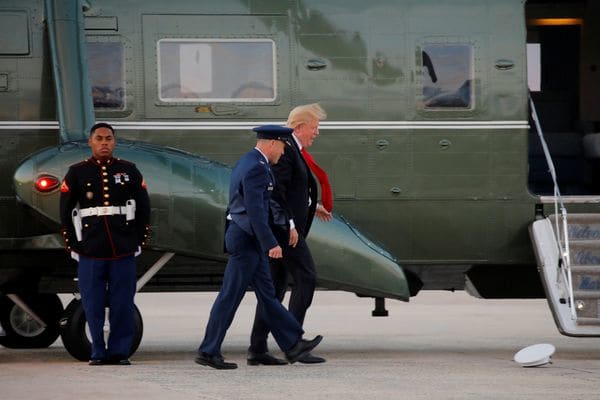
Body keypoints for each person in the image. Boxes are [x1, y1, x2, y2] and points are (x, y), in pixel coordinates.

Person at [195, 125, 323, 370]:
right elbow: (255, 211)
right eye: (283, 148)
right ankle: (208, 350)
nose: (283, 154)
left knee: (268, 296)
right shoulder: (256, 168)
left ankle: (292, 345)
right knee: (230, 296)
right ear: (273, 143)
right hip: (246, 241)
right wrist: (271, 243)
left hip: (248, 238)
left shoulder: (252, 162)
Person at [59, 122, 150, 366]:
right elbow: (66, 212)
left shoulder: (128, 170)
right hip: (90, 248)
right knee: (92, 303)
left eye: (108, 138)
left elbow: (143, 207)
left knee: (122, 302)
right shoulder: (77, 172)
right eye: (99, 138)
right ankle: (97, 351)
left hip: (122, 247)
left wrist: (139, 239)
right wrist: (73, 244)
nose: (104, 143)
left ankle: (120, 352)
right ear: (90, 142)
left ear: (114, 141)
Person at [248, 104, 332, 366]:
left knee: (274, 289)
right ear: (299, 127)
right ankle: (293, 343)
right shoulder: (286, 151)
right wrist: (291, 224)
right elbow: (275, 192)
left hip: (285, 227)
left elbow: (291, 190)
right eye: (314, 127)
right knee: (307, 278)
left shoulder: (293, 149)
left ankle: (258, 347)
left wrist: (310, 205)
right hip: (286, 232)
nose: (316, 132)